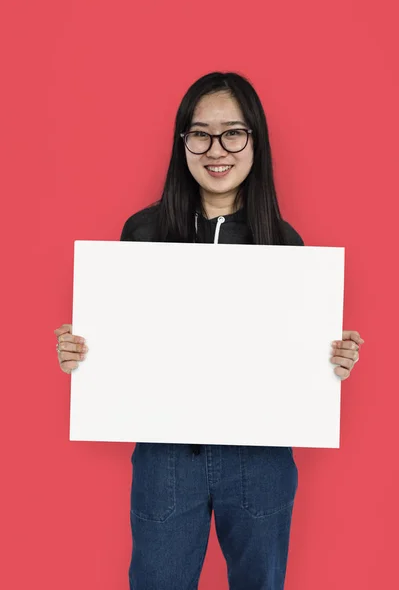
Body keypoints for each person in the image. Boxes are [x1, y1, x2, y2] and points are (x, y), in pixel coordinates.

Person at [54, 71, 364, 590]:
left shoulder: (286, 245)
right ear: (183, 143)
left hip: (260, 458)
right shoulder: (143, 233)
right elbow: (121, 345)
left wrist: (331, 360)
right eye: (200, 133)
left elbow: (295, 360)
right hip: (167, 458)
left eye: (233, 133)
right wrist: (81, 352)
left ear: (254, 142)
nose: (216, 149)